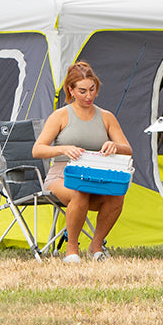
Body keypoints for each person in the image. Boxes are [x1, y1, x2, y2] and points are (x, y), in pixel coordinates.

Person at [33, 61, 133, 262]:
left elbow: (128, 149)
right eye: (82, 91)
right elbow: (37, 150)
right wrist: (63, 149)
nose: (89, 96)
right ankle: (72, 250)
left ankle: (96, 245)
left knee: (116, 197)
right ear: (71, 90)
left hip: (95, 176)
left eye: (92, 89)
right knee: (79, 193)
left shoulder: (106, 117)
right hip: (62, 175)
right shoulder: (60, 116)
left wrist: (114, 146)